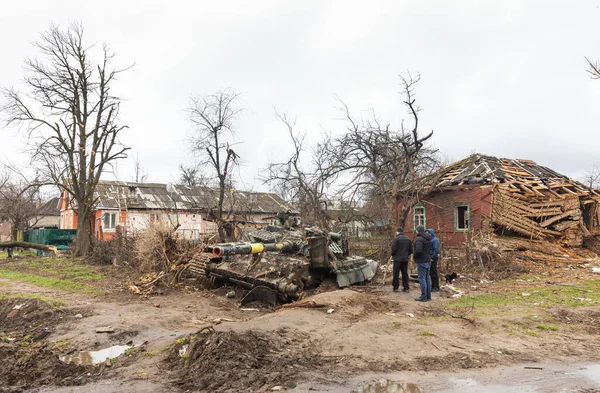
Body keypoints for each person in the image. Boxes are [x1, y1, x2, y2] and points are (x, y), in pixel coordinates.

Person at [391, 226, 413, 292]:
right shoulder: (408, 239)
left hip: (397, 259)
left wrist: (393, 255)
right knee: (405, 273)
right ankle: (406, 287)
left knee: (396, 273)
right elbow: (411, 250)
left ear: (397, 232)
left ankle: (395, 287)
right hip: (405, 259)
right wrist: (406, 255)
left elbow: (394, 249)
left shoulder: (396, 239)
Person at [413, 225, 432, 302]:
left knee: (422, 279)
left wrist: (414, 256)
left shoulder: (419, 239)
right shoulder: (428, 238)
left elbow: (418, 250)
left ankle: (423, 296)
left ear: (418, 231)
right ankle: (428, 296)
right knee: (427, 278)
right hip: (427, 260)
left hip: (421, 261)